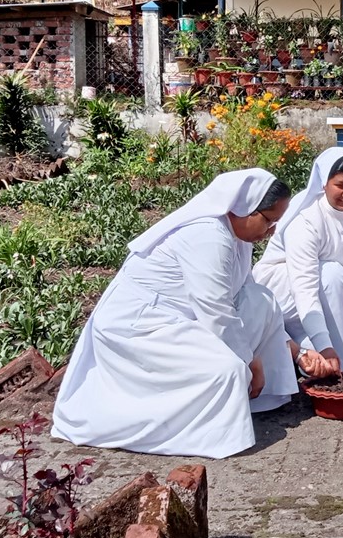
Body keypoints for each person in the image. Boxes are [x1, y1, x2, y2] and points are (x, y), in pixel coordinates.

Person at [51, 169, 300, 459]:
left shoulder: (237, 238)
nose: (271, 231)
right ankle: (189, 430)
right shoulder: (207, 235)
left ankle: (251, 400)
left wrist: (284, 347)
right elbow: (216, 310)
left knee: (261, 301)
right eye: (268, 220)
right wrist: (249, 359)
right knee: (227, 370)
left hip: (179, 319)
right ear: (244, 208)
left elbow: (241, 293)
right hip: (140, 327)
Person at [254, 147, 343, 373]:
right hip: (284, 287)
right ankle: (319, 346)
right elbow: (304, 286)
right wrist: (324, 346)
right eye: (341, 185)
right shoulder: (306, 218)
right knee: (330, 275)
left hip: (334, 282)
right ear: (324, 183)